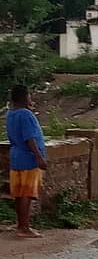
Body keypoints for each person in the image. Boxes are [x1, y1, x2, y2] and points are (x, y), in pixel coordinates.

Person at [6, 85, 47, 238]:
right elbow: (29, 138)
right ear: (24, 97)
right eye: (29, 95)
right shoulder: (25, 114)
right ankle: (24, 228)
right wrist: (39, 157)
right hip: (28, 158)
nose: (31, 98)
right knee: (26, 194)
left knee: (19, 194)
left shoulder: (11, 113)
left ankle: (20, 225)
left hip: (16, 157)